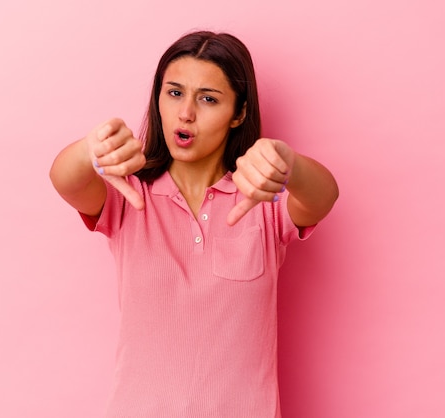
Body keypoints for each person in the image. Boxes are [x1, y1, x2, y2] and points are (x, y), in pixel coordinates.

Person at [50, 30, 338, 418]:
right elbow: (65, 181)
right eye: (174, 93)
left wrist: (290, 163)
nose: (185, 113)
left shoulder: (262, 204)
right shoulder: (129, 199)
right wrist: (90, 150)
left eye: (208, 99)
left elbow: (323, 198)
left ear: (238, 113)